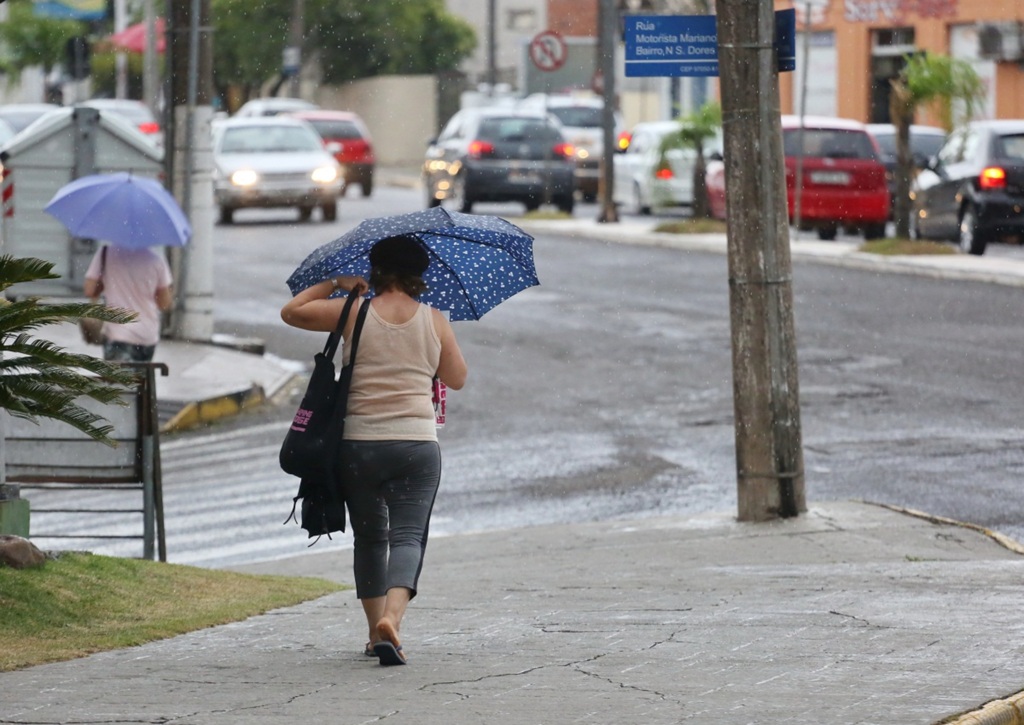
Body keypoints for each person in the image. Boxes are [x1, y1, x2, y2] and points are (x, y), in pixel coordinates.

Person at [280, 234, 468, 666]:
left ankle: (372, 634)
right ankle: (393, 621)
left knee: (369, 539)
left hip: (358, 446)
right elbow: (456, 378)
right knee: (408, 537)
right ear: (420, 275)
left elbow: (291, 312)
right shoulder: (435, 319)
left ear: (376, 269)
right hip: (416, 445)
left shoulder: (354, 314)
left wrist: (336, 283)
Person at [83, 245, 174, 363]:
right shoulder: (156, 258)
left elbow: (89, 290)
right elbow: (164, 304)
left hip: (118, 333)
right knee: (141, 379)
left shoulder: (106, 253)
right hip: (147, 334)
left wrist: (105, 281)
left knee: (119, 380)